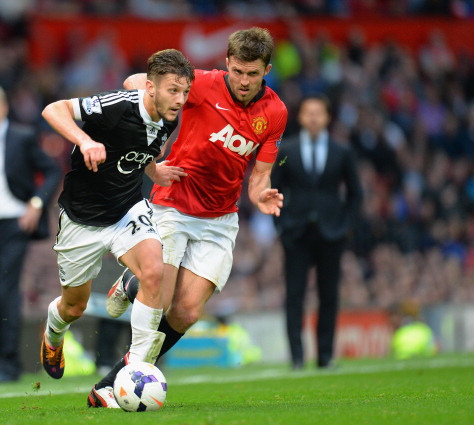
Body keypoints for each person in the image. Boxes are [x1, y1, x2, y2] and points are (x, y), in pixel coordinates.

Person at [99, 27, 287, 401]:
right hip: (174, 203)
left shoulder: (275, 112)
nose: (244, 81)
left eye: (252, 74)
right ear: (227, 63)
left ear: (266, 71)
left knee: (185, 313)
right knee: (160, 298)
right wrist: (150, 126)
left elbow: (259, 175)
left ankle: (131, 296)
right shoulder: (200, 83)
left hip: (220, 219)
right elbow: (135, 82)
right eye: (238, 71)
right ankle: (116, 379)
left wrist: (261, 195)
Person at [38, 49, 194, 408]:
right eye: (173, 90)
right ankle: (53, 332)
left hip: (127, 210)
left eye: (185, 92)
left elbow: (143, 149)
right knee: (74, 307)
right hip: (82, 219)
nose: (180, 100)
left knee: (154, 271)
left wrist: (154, 171)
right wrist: (85, 140)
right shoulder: (117, 106)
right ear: (151, 88)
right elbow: (53, 109)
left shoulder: (169, 115)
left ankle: (136, 368)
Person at [0, 83, 61, 382]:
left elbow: (52, 171)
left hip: (12, 226)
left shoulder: (22, 137)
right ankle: (4, 359)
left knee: (6, 290)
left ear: (3, 109)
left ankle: (8, 363)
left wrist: (36, 204)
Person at [271, 94, 363, 369]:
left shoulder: (342, 151)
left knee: (329, 295)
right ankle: (297, 357)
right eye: (308, 112)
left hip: (331, 233)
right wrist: (281, 225)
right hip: (295, 233)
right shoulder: (286, 151)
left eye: (318, 113)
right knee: (294, 295)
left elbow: (355, 193)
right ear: (300, 117)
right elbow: (275, 188)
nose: (313, 118)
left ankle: (325, 355)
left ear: (327, 117)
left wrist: (346, 226)